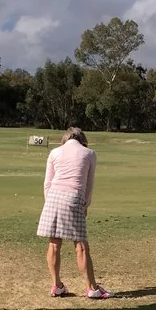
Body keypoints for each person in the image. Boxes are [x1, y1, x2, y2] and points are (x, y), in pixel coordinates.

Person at [38, 127, 103, 298]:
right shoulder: (89, 153)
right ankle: (92, 289)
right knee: (80, 246)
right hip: (74, 197)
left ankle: (56, 286)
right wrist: (85, 205)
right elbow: (89, 186)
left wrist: (50, 203)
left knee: (54, 243)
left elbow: (47, 183)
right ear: (83, 139)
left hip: (53, 197)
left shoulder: (54, 152)